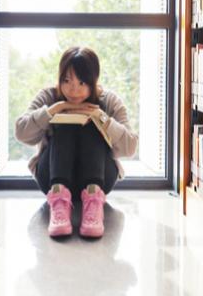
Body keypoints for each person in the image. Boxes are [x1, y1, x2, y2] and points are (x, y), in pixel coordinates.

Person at [15, 46, 138, 238]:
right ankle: (59, 206)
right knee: (65, 123)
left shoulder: (109, 100)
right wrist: (55, 110)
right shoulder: (49, 96)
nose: (74, 90)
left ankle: (93, 205)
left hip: (100, 177)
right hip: (52, 176)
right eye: (67, 81)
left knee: (92, 123)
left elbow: (131, 146)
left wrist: (101, 117)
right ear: (59, 78)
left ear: (93, 81)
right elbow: (21, 132)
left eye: (82, 82)